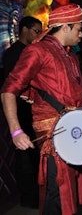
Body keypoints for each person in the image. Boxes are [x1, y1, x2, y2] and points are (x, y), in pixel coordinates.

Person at [1, 4, 82, 215]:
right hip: (53, 131)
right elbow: (8, 90)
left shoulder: (70, 56)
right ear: (64, 27)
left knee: (69, 189)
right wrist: (16, 131)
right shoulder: (37, 51)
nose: (81, 34)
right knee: (58, 191)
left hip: (73, 128)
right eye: (78, 29)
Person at [2, 16, 42, 208]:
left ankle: (35, 195)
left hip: (34, 112)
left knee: (34, 156)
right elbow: (10, 88)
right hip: (20, 112)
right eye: (36, 31)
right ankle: (29, 198)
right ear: (25, 29)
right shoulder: (13, 54)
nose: (37, 36)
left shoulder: (32, 51)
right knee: (24, 156)